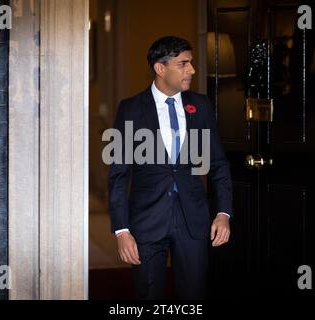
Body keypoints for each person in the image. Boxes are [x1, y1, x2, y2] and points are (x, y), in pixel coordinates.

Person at [108, 36, 233, 300]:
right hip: (147, 220)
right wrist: (121, 230)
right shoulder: (130, 109)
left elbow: (218, 164)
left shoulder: (201, 106)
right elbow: (118, 175)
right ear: (160, 68)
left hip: (193, 221)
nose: (192, 70)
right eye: (183, 64)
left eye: (191, 63)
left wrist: (223, 213)